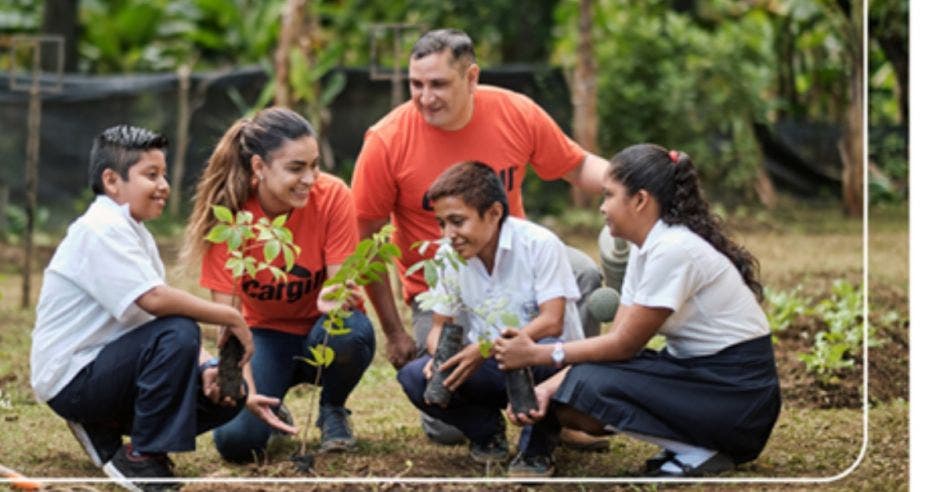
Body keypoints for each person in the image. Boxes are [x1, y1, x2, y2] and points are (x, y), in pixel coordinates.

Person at [351, 28, 609, 447]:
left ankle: (566, 403)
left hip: (518, 269)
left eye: (438, 84)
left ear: (471, 78)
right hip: (444, 292)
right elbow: (365, 241)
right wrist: (395, 331)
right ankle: (498, 414)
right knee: (446, 427)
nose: (424, 97)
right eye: (416, 84)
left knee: (581, 271)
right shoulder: (387, 141)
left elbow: (577, 167)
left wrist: (638, 181)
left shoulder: (514, 112)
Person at [493, 144, 782, 477]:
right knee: (572, 393)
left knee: (586, 388)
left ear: (640, 200)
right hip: (703, 379)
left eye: (609, 196)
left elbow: (624, 346)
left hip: (737, 397)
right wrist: (545, 388)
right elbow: (616, 343)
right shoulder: (646, 247)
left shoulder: (674, 249)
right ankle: (692, 444)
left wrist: (535, 356)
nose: (602, 208)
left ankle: (699, 449)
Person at [29, 125, 265, 488]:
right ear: (112, 181)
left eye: (164, 174)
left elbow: (152, 314)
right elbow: (154, 302)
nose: (164, 185)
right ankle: (141, 457)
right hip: (73, 377)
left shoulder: (133, 231)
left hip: (104, 370)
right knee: (179, 330)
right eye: (150, 175)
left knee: (226, 395)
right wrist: (229, 315)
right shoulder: (100, 229)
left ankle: (103, 426)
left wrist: (208, 365)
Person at [181, 107, 375, 462]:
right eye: (295, 168)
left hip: (322, 331)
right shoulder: (232, 218)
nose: (310, 179)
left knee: (349, 330)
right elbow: (230, 323)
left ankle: (333, 408)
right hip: (263, 338)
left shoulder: (332, 196)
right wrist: (248, 392)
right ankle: (274, 406)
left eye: (314, 165)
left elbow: (339, 284)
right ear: (259, 167)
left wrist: (333, 297)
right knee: (236, 442)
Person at [396, 162, 583, 477]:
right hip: (493, 364)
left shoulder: (539, 244)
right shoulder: (447, 255)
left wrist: (482, 349)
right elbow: (440, 325)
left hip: (546, 364)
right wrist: (440, 355)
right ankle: (487, 432)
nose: (448, 235)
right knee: (415, 377)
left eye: (458, 221)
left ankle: (538, 444)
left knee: (547, 351)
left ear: (495, 213)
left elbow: (552, 322)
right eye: (441, 223)